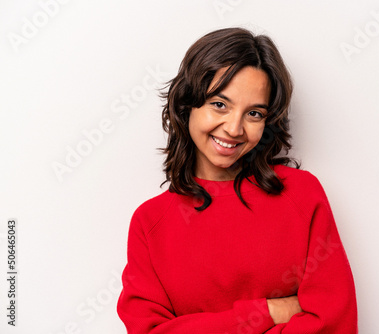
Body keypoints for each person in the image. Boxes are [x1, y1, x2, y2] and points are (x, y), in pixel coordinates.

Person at [117, 27, 358, 333]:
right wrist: (267, 312)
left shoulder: (301, 194)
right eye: (220, 104)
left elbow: (334, 323)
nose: (234, 128)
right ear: (187, 104)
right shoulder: (150, 223)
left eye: (254, 113)